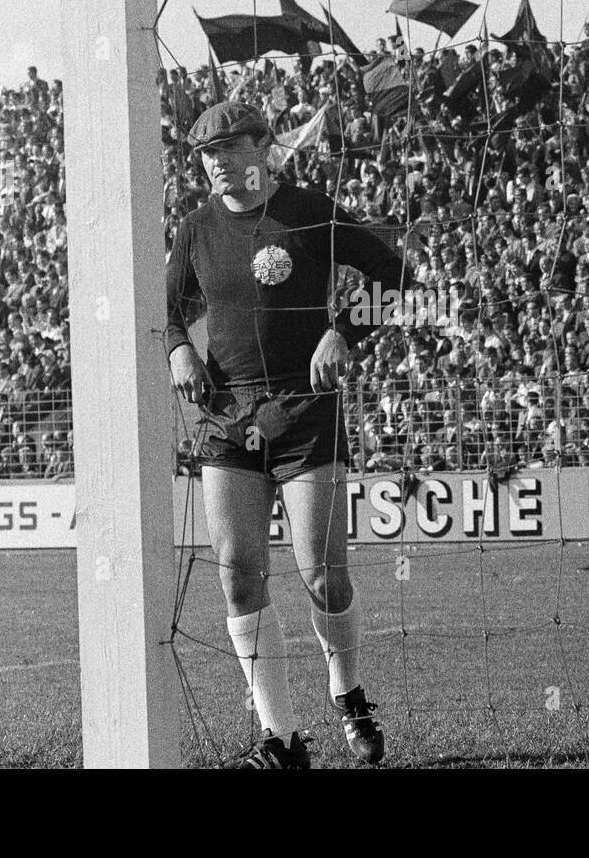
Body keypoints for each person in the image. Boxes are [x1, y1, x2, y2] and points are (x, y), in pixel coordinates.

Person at [166, 102, 406, 769]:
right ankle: (280, 739)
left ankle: (348, 693)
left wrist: (344, 332)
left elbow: (397, 275)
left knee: (323, 576)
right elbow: (166, 313)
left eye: (226, 148)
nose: (214, 162)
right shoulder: (195, 231)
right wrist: (179, 351)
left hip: (305, 415)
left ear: (263, 148)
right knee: (240, 578)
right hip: (227, 420)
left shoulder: (312, 210)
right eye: (205, 153)